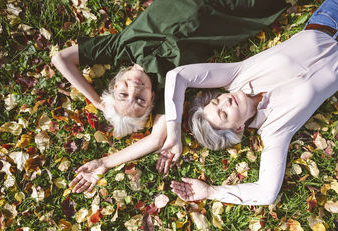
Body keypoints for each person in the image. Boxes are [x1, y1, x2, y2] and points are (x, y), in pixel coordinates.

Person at [159, 0, 338, 205]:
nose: (224, 101)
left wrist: (174, 133)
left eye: (216, 101)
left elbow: (178, 76)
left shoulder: (236, 75)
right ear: (238, 129)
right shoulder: (275, 131)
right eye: (223, 113)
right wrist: (211, 192)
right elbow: (266, 192)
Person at [51, 0, 288, 193]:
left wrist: (96, 102)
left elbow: (60, 59)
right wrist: (104, 163)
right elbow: (156, 140)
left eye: (123, 94)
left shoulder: (119, 46)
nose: (134, 89)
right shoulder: (169, 82)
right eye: (140, 100)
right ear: (153, 98)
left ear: (114, 85)